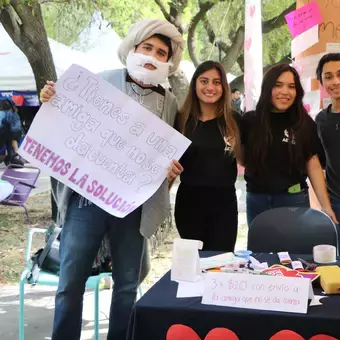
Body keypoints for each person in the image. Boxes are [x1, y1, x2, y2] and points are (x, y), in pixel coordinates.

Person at [40, 19, 184, 340]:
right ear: (132, 48)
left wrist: (168, 169)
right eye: (147, 47)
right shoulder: (98, 83)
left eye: (161, 52)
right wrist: (51, 99)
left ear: (168, 63)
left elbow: (161, 152)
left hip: (132, 206)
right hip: (86, 201)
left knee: (127, 286)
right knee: (69, 284)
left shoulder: (169, 102)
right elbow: (65, 122)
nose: (152, 56)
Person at [240, 64, 337, 227]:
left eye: (291, 87)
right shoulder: (250, 120)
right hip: (257, 199)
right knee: (260, 250)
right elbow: (243, 160)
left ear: (297, 92)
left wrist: (325, 206)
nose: (285, 92)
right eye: (278, 85)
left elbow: (313, 167)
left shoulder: (304, 123)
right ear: (267, 88)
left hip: (294, 199)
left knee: (295, 250)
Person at [173, 61, 241, 252]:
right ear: (195, 84)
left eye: (216, 82)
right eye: (204, 81)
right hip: (189, 203)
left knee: (220, 262)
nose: (210, 87)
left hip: (224, 204)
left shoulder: (235, 121)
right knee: (193, 264)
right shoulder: (181, 120)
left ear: (224, 87)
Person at [315, 53, 340, 226]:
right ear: (322, 82)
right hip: (335, 201)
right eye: (328, 77)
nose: (336, 81)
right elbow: (320, 163)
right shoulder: (321, 120)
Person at [0, 100, 24, 165]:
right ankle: (16, 159)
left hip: (7, 132)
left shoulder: (2, 113)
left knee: (8, 146)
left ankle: (10, 159)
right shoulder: (13, 112)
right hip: (14, 133)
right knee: (12, 146)